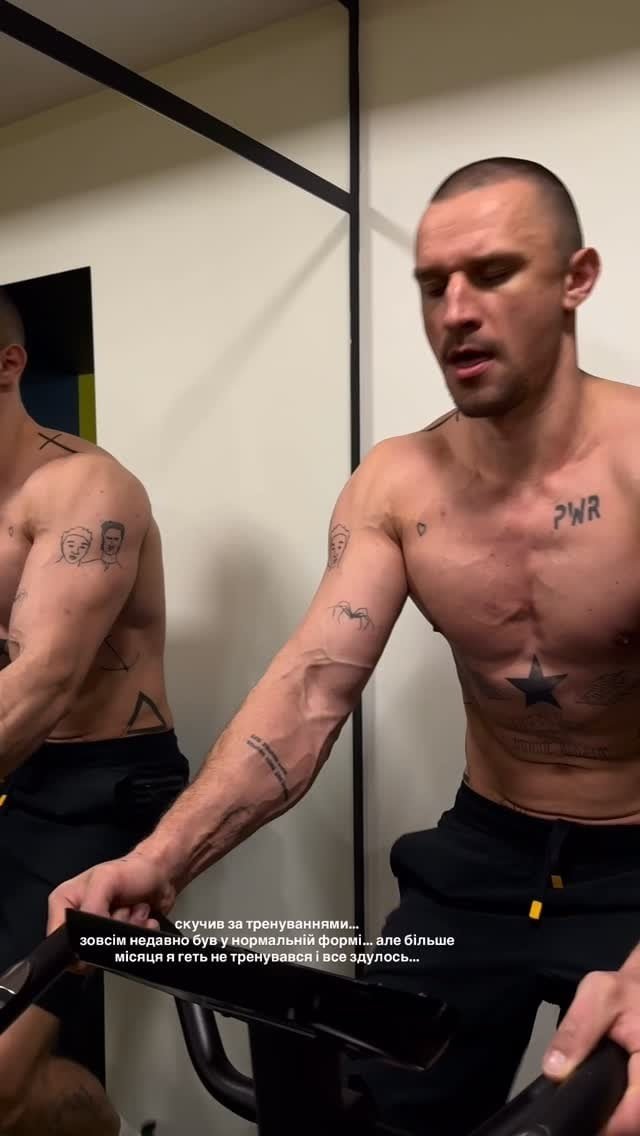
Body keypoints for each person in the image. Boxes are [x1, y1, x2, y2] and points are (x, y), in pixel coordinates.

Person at [46, 156, 640, 1136]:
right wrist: (162, 857)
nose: (455, 311)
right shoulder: (398, 484)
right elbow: (309, 691)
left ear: (576, 278)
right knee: (372, 1112)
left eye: (492, 273)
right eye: (432, 284)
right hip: (482, 857)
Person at [0, 288, 189, 1136]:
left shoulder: (87, 490)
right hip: (19, 777)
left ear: (8, 365)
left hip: (106, 785)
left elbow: (43, 680)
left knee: (2, 1083)